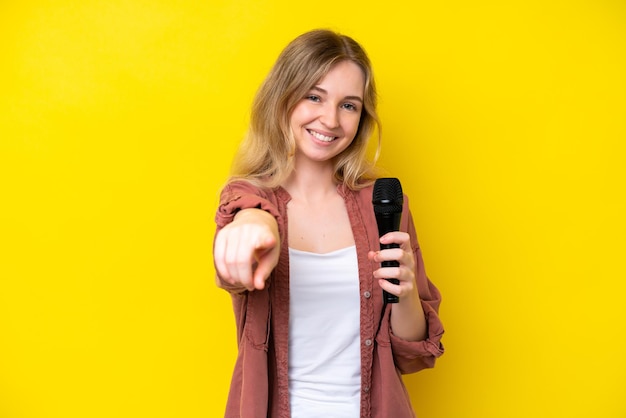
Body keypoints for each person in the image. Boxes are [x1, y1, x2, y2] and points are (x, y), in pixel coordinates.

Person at [213, 29, 444, 418]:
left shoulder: (384, 205)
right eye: (314, 97)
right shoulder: (248, 202)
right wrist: (252, 229)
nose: (331, 119)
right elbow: (243, 239)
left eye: (349, 105)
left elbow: (412, 354)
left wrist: (405, 292)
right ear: (283, 97)